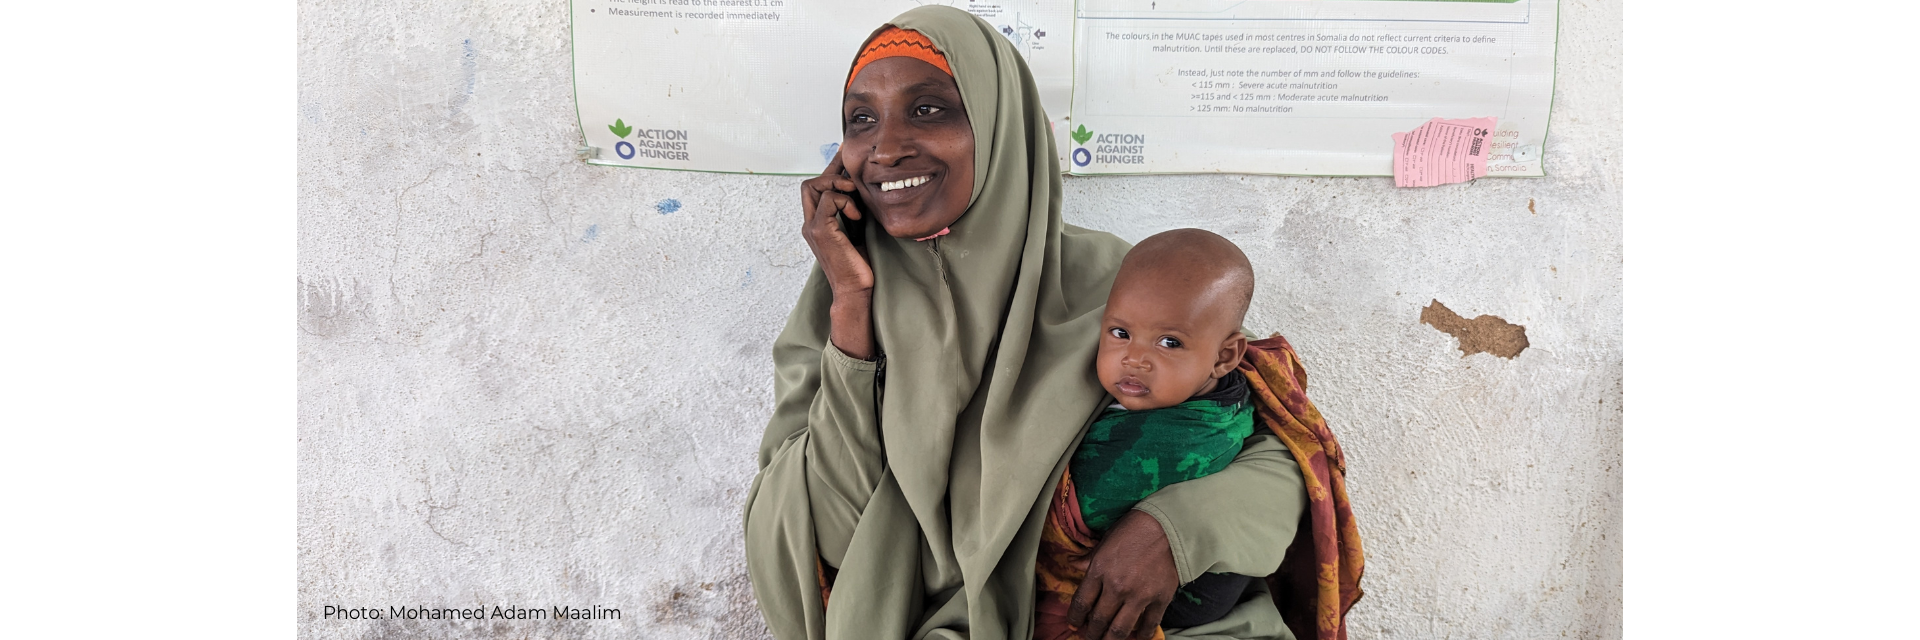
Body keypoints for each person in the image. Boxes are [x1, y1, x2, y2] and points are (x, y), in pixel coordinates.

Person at [743, 7, 1310, 639]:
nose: (885, 146)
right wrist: (851, 306)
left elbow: (1285, 452)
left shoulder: (1119, 287)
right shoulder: (836, 300)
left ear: (1001, 124)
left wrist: (1175, 528)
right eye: (861, 119)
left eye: (928, 109)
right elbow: (831, 531)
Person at [1035, 229, 1265, 637]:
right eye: (1120, 333)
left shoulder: (1176, 439)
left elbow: (1068, 509)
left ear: (1226, 356)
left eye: (1169, 342)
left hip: (1175, 602)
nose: (1134, 359)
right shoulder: (1218, 391)